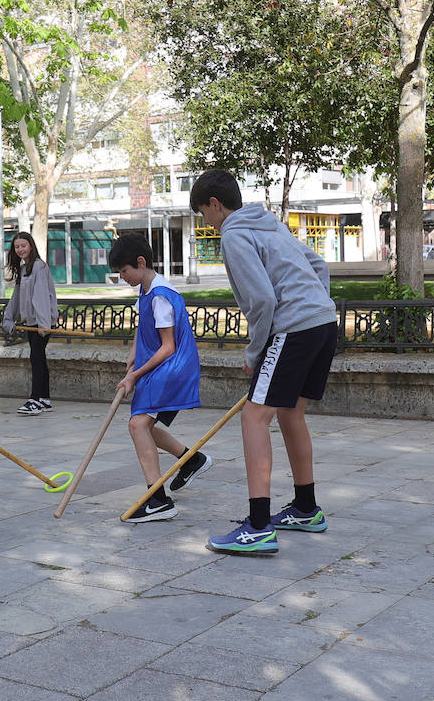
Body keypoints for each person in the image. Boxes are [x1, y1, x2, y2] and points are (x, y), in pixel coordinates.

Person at [190, 169, 338, 556]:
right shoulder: (269, 224)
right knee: (290, 414)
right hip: (323, 323)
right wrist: (314, 306)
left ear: (215, 205)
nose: (204, 221)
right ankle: (306, 508)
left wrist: (255, 354)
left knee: (255, 417)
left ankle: (257, 527)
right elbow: (318, 266)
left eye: (202, 212)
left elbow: (262, 301)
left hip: (294, 328)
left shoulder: (234, 234)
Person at [109, 233, 212, 523]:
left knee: (137, 424)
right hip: (161, 367)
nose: (122, 276)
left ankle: (157, 500)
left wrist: (134, 376)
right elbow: (146, 330)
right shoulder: (147, 290)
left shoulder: (161, 296)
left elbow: (168, 347)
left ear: (140, 263)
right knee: (145, 425)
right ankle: (192, 460)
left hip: (173, 368)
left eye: (124, 271)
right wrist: (133, 354)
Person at [0, 232, 58, 415]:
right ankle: (45, 399)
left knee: (36, 359)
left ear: (31, 246)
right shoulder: (25, 269)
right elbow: (17, 298)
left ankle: (35, 400)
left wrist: (43, 324)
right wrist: (8, 319)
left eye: (23, 245)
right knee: (38, 358)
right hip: (33, 322)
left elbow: (41, 296)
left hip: (42, 323)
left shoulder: (39, 267)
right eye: (17, 247)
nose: (20, 249)